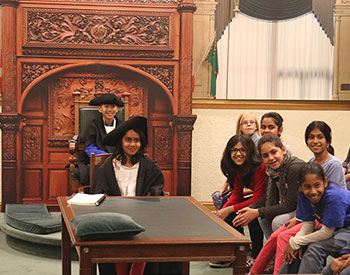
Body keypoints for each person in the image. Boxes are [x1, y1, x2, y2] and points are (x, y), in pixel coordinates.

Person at [248, 120, 347, 275]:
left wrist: (296, 240)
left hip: (336, 222)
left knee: (300, 242)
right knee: (284, 238)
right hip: (320, 217)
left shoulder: (332, 181)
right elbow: (307, 219)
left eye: (320, 137)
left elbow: (327, 226)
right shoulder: (310, 166)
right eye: (311, 137)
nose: (312, 191)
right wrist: (297, 235)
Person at [92, 116, 164, 275]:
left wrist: (143, 206)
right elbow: (99, 192)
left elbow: (156, 190)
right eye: (128, 140)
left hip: (142, 217)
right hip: (114, 217)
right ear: (121, 142)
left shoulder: (149, 166)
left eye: (136, 140)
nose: (132, 144)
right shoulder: (108, 166)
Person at [280, 162, 350, 274]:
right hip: (335, 229)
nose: (313, 191)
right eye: (307, 187)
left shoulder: (334, 197)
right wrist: (296, 242)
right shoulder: (303, 194)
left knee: (315, 247)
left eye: (317, 185)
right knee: (299, 247)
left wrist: (295, 242)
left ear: (325, 182)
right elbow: (308, 225)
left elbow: (326, 232)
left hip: (346, 229)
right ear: (300, 186)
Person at [209, 135, 266, 268]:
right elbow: (236, 193)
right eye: (234, 150)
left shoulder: (259, 167)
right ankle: (237, 252)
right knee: (229, 213)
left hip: (271, 201)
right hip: (260, 200)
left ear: (249, 151)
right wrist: (222, 212)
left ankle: (256, 256)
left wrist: (228, 209)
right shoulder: (238, 168)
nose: (238, 154)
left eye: (242, 150)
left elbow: (258, 199)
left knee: (250, 213)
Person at [233, 134, 304, 239]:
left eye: (274, 152)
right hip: (289, 205)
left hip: (303, 209)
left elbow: (290, 205)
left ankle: (285, 252)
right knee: (262, 217)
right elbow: (266, 196)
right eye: (265, 156)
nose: (271, 158)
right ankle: (274, 251)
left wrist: (257, 212)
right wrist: (250, 209)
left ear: (283, 150)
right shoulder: (270, 170)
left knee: (277, 221)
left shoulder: (294, 167)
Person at [74, 93, 124, 186]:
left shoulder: (122, 126)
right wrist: (104, 157)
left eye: (113, 107)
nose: (109, 110)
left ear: (117, 109)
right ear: (100, 109)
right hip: (98, 161)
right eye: (106, 106)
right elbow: (90, 146)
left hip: (118, 160)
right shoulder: (94, 125)